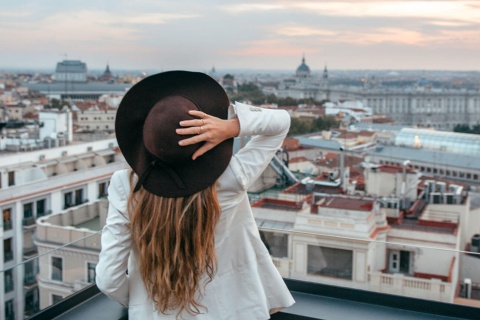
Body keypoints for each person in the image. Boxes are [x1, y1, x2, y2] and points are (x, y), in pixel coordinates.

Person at [96, 70, 295, 319]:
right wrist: (230, 127)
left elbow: (108, 280)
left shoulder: (125, 185)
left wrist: (143, 301)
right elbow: (281, 122)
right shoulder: (231, 177)